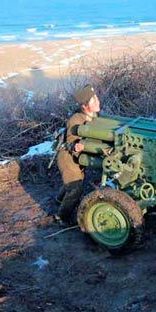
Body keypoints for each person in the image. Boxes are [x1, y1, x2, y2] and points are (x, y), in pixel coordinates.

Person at [56, 85, 101, 225]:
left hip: (77, 156)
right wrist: (76, 146)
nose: (98, 102)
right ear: (85, 105)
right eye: (94, 100)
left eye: (96, 98)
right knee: (76, 187)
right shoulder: (75, 120)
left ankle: (59, 199)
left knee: (74, 180)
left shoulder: (93, 115)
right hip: (68, 157)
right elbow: (70, 142)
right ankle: (62, 217)